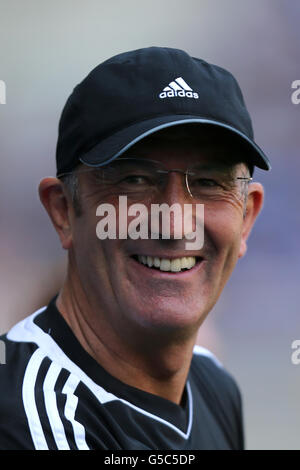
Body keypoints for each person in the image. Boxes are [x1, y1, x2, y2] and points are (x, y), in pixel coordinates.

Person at [0, 47, 271, 450]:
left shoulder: (213, 387)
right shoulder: (25, 419)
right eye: (135, 180)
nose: (175, 222)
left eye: (210, 182)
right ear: (63, 211)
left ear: (246, 218)